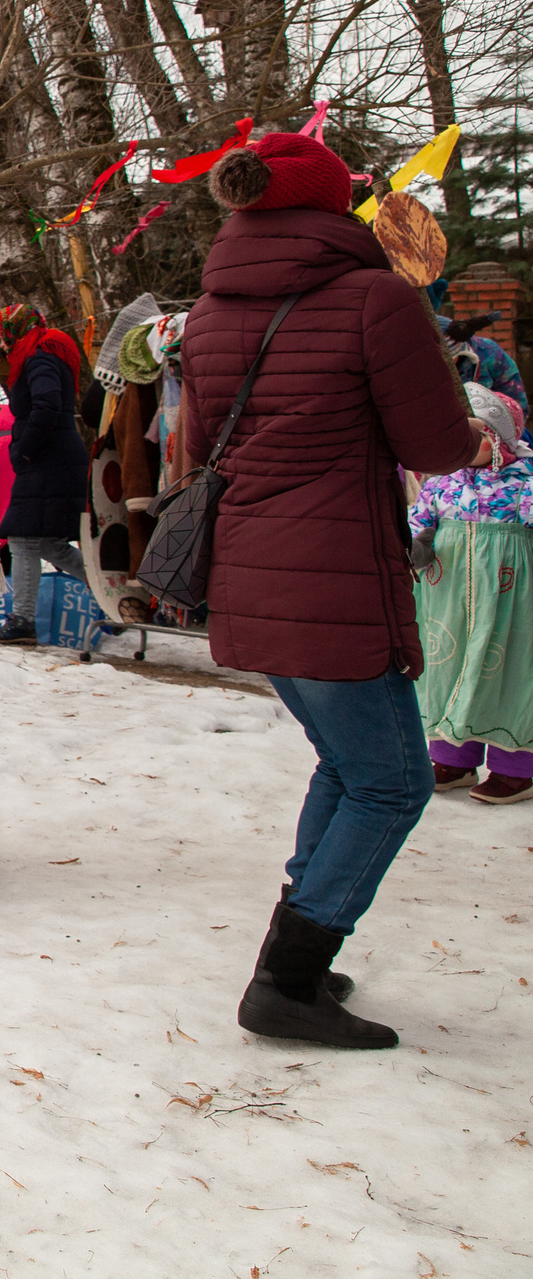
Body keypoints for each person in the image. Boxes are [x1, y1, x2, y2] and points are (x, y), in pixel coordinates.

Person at [187, 128, 490, 1048]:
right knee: (394, 783)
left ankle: (300, 954)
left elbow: (203, 448)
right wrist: (480, 438)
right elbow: (435, 445)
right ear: (332, 205)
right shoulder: (375, 299)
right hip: (339, 586)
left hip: (251, 582)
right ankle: (287, 978)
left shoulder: (205, 311)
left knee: (350, 764)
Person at [412, 385, 533, 803]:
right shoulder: (443, 482)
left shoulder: (526, 485)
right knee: (448, 665)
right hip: (447, 599)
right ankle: (452, 759)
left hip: (509, 599)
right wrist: (416, 544)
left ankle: (516, 767)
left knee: (507, 673)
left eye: (471, 434)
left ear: (498, 439)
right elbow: (418, 518)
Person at [0, 303, 91, 647]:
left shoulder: (39, 357)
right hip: (55, 456)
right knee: (49, 543)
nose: (2, 344)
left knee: (23, 538)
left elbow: (46, 405)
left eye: (3, 335)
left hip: (48, 459)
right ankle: (117, 602)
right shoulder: (41, 354)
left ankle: (23, 621)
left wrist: (25, 449)